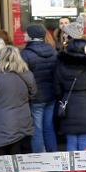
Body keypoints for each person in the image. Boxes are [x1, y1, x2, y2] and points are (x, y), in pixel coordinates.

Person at [55, 21, 86, 151]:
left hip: (68, 103)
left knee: (70, 140)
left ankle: (72, 169)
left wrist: (62, 98)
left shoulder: (61, 64)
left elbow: (57, 88)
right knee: (85, 141)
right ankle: (83, 169)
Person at [20, 24, 58, 154]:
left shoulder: (25, 54)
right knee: (48, 126)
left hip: (35, 97)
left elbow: (23, 77)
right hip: (51, 94)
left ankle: (39, 162)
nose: (23, 35)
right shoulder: (53, 50)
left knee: (37, 128)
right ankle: (53, 157)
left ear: (32, 36)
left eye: (26, 33)